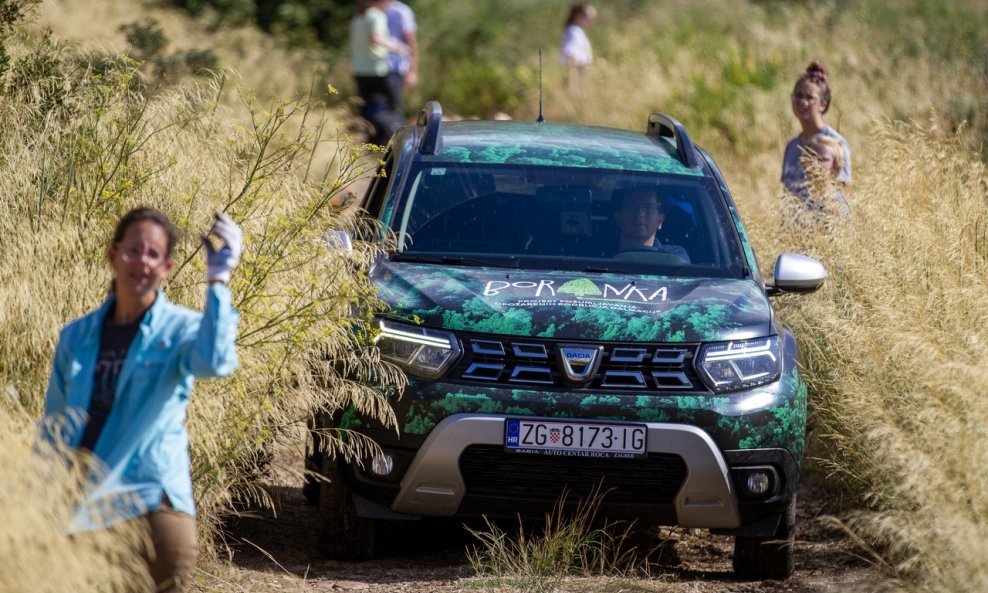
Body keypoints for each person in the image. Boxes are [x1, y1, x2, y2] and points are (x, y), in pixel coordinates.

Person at [41, 208, 243, 593]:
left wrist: (219, 279)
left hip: (152, 507)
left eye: (154, 254)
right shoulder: (76, 337)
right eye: (134, 250)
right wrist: (39, 499)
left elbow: (216, 362)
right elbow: (55, 427)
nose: (142, 262)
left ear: (166, 266)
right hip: (87, 510)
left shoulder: (180, 328)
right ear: (113, 254)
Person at [781, 61, 851, 206]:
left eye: (809, 97)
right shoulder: (792, 146)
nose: (802, 102)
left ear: (822, 104)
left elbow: (844, 195)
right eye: (798, 96)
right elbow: (786, 195)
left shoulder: (836, 143)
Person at [350, 0, 408, 145]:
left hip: (360, 70)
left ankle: (372, 142)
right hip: (378, 70)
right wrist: (398, 47)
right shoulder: (376, 15)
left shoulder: (358, 16)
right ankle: (397, 143)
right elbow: (375, 38)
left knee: (367, 109)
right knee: (394, 107)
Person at [612, 186, 690, 263]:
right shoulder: (602, 256)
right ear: (618, 218)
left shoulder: (676, 256)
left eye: (648, 208)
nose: (640, 214)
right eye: (631, 207)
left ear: (660, 220)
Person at [385, 0, 418, 119]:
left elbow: (412, 42)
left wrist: (412, 70)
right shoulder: (372, 8)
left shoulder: (402, 11)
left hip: (394, 66)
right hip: (372, 68)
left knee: (394, 108)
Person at [804, 133, 850, 217]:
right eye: (812, 157)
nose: (816, 163)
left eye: (823, 159)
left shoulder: (836, 202)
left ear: (835, 166)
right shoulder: (800, 197)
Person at [560, 4, 596, 84]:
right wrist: (572, 80)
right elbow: (570, 54)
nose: (591, 21)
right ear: (578, 16)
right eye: (588, 17)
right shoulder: (574, 32)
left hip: (580, 73)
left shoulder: (577, 32)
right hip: (578, 74)